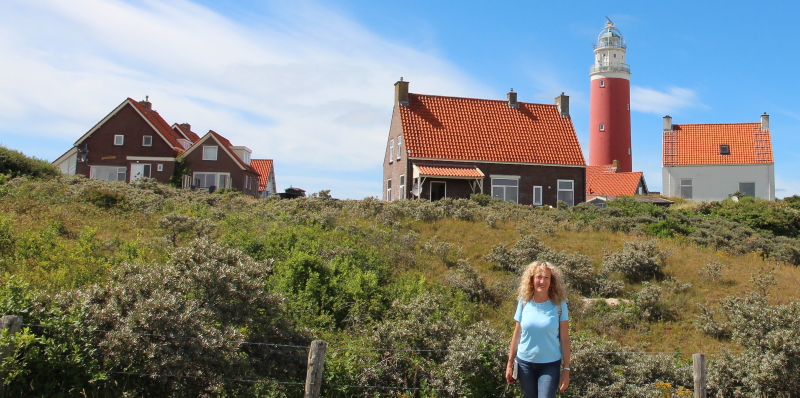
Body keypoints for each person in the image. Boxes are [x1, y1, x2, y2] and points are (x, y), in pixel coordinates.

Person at [505, 261, 571, 398]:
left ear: (552, 281)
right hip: (525, 364)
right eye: (538, 277)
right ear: (532, 280)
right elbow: (517, 334)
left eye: (546, 277)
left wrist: (566, 369)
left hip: (550, 365)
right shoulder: (523, 302)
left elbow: (564, 339)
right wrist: (510, 363)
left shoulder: (559, 305)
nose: (542, 281)